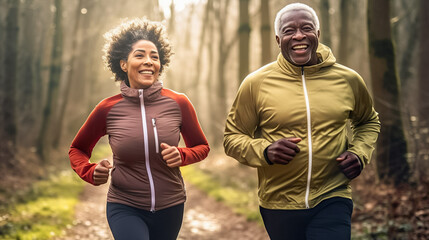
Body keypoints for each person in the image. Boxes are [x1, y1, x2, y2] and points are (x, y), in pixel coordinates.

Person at [223, 3, 380, 240]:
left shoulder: (348, 79)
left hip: (333, 196)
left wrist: (359, 153)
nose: (298, 36)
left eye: (306, 28)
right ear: (278, 39)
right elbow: (232, 138)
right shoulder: (256, 84)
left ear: (317, 35)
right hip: (278, 203)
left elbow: (368, 121)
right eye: (289, 31)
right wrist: (265, 150)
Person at [69, 18, 210, 240]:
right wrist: (89, 171)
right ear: (123, 64)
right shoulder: (107, 108)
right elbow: (77, 149)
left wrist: (182, 154)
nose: (149, 61)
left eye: (155, 57)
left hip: (171, 205)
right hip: (125, 205)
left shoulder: (178, 102)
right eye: (140, 55)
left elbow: (202, 146)